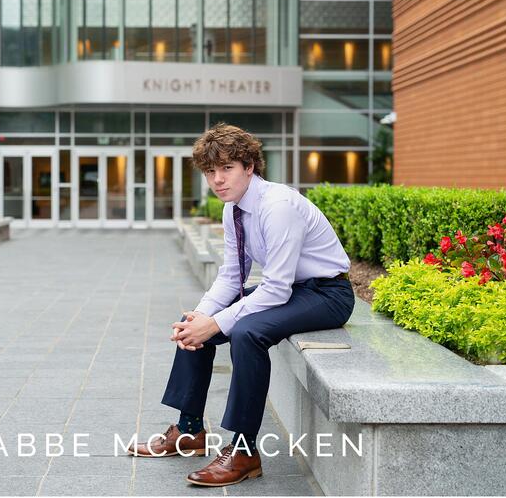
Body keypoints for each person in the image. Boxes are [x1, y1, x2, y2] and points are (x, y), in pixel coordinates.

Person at [128, 123, 355, 487]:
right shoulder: (233, 207)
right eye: (210, 171)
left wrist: (216, 324)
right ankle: (189, 432)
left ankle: (245, 451)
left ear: (249, 166)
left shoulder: (277, 206)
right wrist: (201, 316)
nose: (217, 179)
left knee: (246, 332)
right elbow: (233, 275)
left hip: (327, 295)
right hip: (292, 290)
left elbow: (276, 288)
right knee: (194, 319)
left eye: (227, 168)